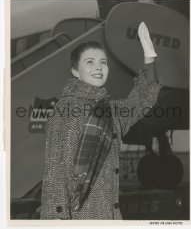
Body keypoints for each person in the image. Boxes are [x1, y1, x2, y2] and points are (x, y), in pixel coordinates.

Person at [40, 22, 163, 220]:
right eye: (90, 62)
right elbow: (56, 170)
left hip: (109, 215)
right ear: (75, 71)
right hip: (81, 218)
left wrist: (150, 56)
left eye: (103, 62)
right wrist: (57, 221)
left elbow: (142, 99)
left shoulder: (108, 110)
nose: (99, 67)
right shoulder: (67, 109)